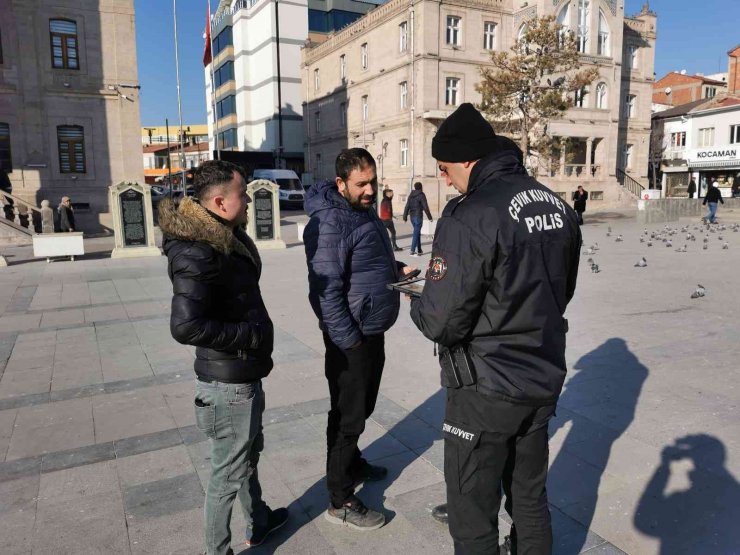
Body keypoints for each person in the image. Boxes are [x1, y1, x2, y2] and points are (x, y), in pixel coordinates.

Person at [409, 103, 581, 554]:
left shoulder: (471, 214)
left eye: (445, 169)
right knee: (529, 499)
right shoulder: (557, 206)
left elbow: (442, 322)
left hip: (484, 388)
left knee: (471, 512)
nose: (444, 179)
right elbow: (562, 291)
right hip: (542, 376)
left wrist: (418, 299)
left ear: (467, 160)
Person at [159, 160, 288, 554]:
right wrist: (247, 336)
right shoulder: (198, 252)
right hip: (228, 385)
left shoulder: (225, 238)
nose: (248, 199)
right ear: (219, 201)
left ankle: (260, 519)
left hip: (241, 375)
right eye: (242, 193)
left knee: (247, 456)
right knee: (226, 475)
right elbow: (185, 326)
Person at [303, 148, 415, 531]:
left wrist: (396, 269)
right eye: (361, 184)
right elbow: (325, 291)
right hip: (350, 338)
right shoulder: (331, 223)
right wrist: (347, 339)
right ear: (341, 183)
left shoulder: (362, 211)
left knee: (362, 408)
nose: (369, 190)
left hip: (370, 330)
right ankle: (341, 497)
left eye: (373, 181)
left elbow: (363, 265)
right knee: (348, 417)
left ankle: (353, 462)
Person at [403, 182, 433, 256]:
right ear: (421, 187)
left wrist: (405, 217)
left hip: (412, 217)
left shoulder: (411, 195)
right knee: (416, 233)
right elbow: (425, 207)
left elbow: (407, 206)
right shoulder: (421, 195)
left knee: (417, 232)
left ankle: (419, 250)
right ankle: (412, 250)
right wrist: (430, 217)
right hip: (418, 216)